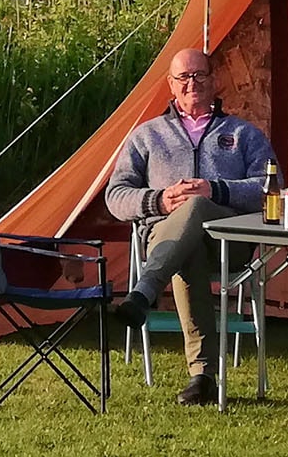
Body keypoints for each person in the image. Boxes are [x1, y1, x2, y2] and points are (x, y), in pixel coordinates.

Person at [102, 49, 278, 406]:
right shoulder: (146, 136)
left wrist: (216, 189)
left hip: (230, 241)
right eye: (183, 77)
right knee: (188, 247)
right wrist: (161, 201)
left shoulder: (244, 134)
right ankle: (203, 377)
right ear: (171, 84)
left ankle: (144, 291)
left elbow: (272, 187)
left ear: (214, 81)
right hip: (167, 237)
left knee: (197, 204)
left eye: (199, 75)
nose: (191, 84)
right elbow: (115, 196)